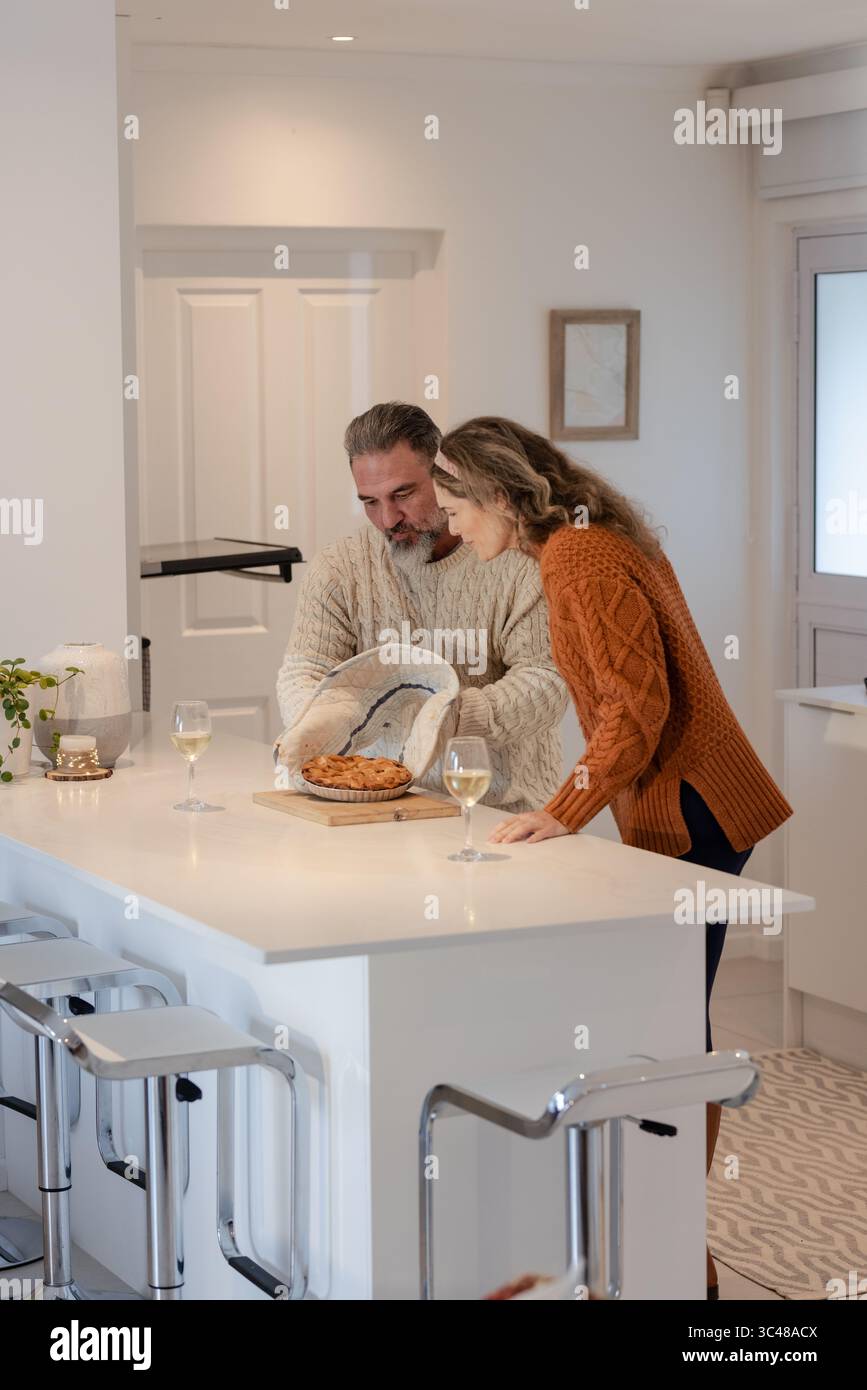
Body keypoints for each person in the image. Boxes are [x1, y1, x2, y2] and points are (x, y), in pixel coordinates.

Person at [431, 415, 794, 1300]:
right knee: (675, 1022)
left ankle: (682, 1254)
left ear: (494, 495)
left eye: (453, 507)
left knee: (675, 1031)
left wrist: (559, 812)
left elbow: (635, 709)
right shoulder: (584, 540)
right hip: (686, 807)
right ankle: (678, 1249)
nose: (449, 527)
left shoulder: (576, 560)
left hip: (698, 811)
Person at [275, 402, 568, 812]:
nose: (388, 519)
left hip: (501, 810)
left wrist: (450, 718)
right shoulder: (339, 568)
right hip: (377, 805)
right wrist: (321, 716)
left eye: (403, 494)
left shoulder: (517, 559)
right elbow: (304, 669)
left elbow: (549, 679)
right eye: (370, 501)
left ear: (443, 474)